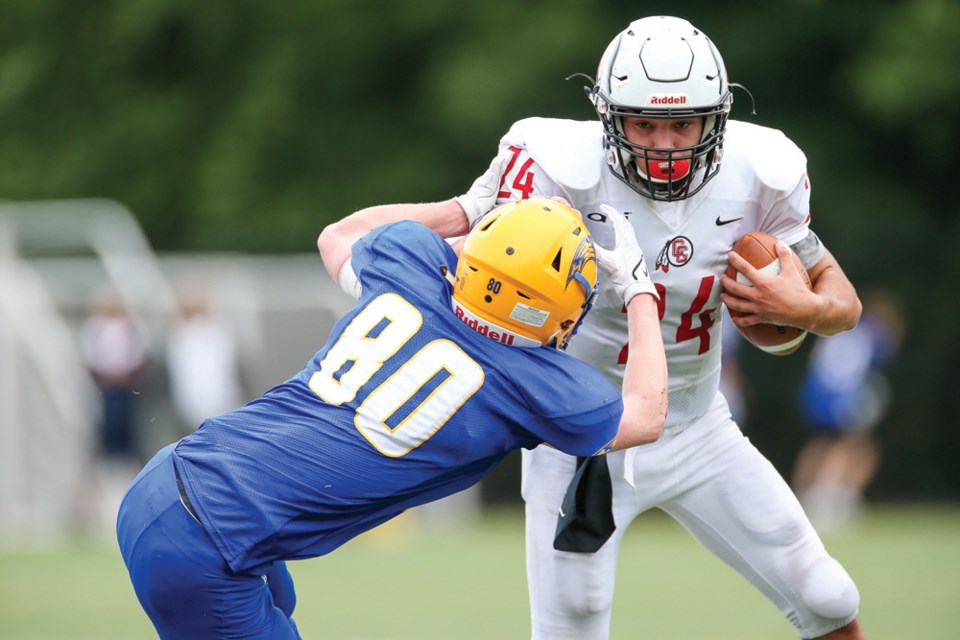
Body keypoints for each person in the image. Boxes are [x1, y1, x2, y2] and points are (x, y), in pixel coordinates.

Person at [342, 15, 866, 640]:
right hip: (577, 434)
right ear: (609, 117)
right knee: (572, 628)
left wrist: (804, 310)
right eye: (644, 123)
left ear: (716, 119)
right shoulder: (558, 168)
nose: (664, 145)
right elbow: (463, 253)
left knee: (827, 594)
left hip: (697, 426)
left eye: (682, 124)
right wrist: (466, 212)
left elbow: (845, 303)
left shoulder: (761, 172)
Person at [116, 197, 668, 639]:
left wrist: (466, 209)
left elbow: (339, 234)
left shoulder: (409, 267)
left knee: (281, 608)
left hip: (175, 477)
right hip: (208, 546)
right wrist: (641, 292)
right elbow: (646, 416)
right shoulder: (534, 383)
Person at [792, 289, 904, 533]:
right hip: (839, 394)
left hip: (813, 393)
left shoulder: (840, 329)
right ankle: (832, 498)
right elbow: (865, 372)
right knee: (856, 445)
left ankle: (801, 499)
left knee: (820, 443)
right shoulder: (874, 333)